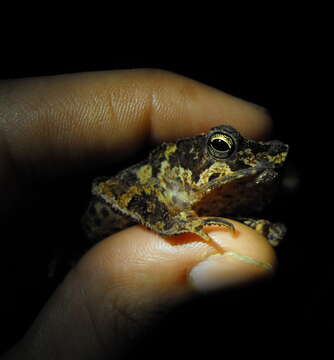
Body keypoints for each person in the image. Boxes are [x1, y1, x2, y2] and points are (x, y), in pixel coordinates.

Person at [0, 69, 276, 359]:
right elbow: (110, 188)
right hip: (72, 241)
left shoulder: (218, 195)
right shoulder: (163, 178)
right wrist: (168, 221)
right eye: (222, 147)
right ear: (183, 163)